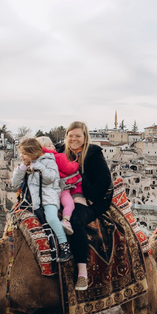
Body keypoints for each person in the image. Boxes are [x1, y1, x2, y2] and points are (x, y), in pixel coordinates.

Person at [59, 121, 113, 291]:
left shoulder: (93, 153)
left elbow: (104, 178)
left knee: (75, 221)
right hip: (65, 193)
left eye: (77, 136)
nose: (73, 139)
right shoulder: (60, 150)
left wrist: (88, 199)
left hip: (92, 197)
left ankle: (82, 271)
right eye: (70, 136)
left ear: (84, 137)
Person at [11, 138, 72, 262]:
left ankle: (64, 246)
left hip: (48, 198)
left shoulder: (49, 161)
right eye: (21, 154)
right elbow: (15, 183)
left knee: (51, 218)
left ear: (32, 153)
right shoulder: (26, 165)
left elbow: (50, 178)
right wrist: (21, 170)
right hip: (32, 201)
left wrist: (38, 167)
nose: (21, 156)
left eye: (24, 154)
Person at [37, 136, 81, 236]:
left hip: (46, 192)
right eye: (50, 145)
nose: (53, 146)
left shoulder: (37, 161)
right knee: (69, 204)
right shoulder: (59, 157)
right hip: (63, 189)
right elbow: (69, 169)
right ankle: (66, 220)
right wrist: (76, 164)